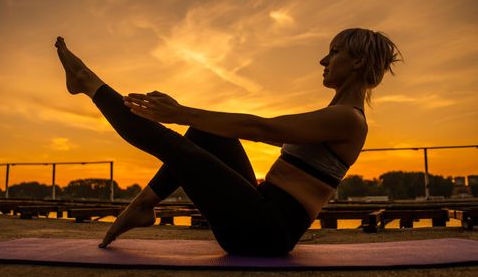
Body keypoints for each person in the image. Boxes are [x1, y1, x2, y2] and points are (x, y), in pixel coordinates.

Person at [54, 28, 401, 256]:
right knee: (207, 133)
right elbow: (253, 128)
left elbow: (264, 129)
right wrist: (189, 117)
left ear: (357, 61)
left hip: (264, 233)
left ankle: (87, 82)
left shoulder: (348, 119)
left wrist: (180, 113)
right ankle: (144, 204)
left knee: (175, 145)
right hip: (259, 211)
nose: (323, 60)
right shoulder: (337, 113)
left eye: (334, 52)